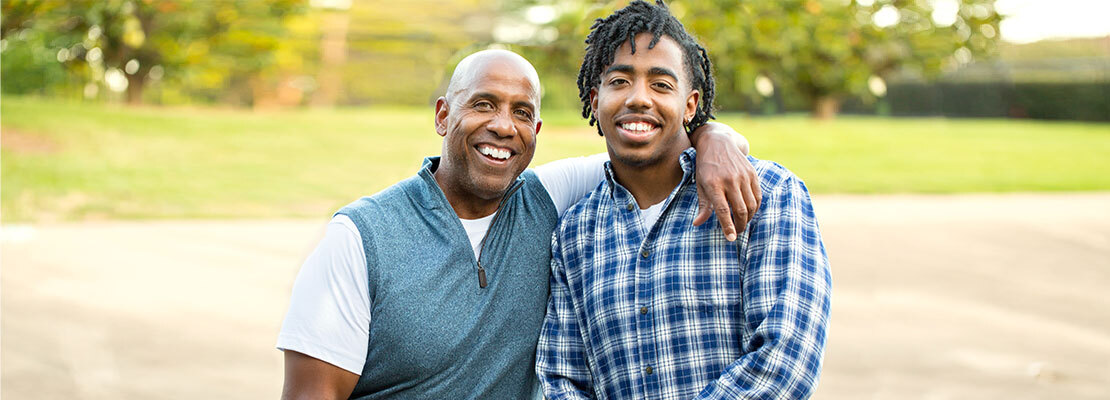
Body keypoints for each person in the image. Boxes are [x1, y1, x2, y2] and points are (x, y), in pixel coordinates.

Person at [277, 48, 760, 399]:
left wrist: (713, 136)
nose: (504, 127)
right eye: (483, 104)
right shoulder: (361, 237)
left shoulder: (550, 198)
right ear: (444, 115)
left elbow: (651, 144)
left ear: (537, 132)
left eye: (522, 113)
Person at [536, 1, 833, 399]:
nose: (639, 98)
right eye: (620, 81)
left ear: (690, 104)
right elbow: (562, 379)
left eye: (661, 84)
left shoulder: (769, 194)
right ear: (595, 99)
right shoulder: (574, 234)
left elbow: (785, 363)